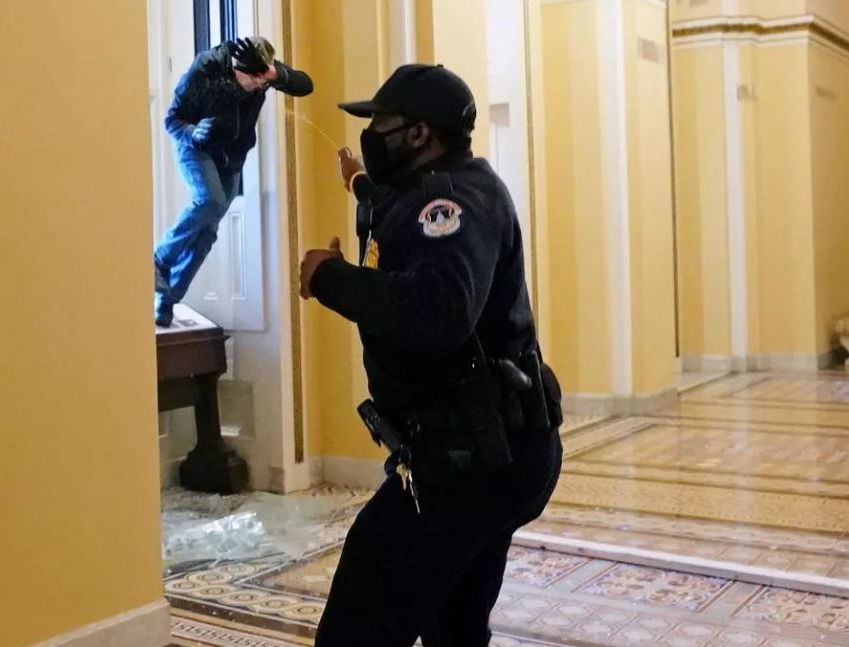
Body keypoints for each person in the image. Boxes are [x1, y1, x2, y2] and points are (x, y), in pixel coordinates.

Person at [298, 64, 564, 646]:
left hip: (468, 461)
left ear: (419, 134)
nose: (372, 134)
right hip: (497, 450)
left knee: (358, 624)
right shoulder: (454, 183)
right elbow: (397, 211)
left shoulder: (448, 202)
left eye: (382, 124)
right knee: (455, 625)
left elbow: (439, 313)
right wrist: (358, 181)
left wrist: (329, 277)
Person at [154, 36, 313, 326]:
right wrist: (193, 133)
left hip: (232, 159)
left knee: (207, 234)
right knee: (211, 201)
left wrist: (274, 74)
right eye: (252, 78)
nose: (258, 85)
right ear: (235, 67)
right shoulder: (206, 69)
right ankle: (159, 259)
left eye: (262, 80)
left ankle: (167, 299)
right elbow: (172, 120)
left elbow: (306, 85)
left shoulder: (262, 73)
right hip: (196, 147)